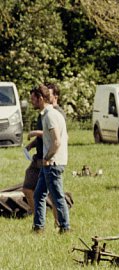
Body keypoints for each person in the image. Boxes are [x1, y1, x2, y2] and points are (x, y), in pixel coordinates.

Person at [29, 83, 71, 233]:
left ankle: (65, 228)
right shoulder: (48, 114)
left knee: (57, 197)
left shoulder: (51, 116)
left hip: (53, 162)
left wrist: (47, 157)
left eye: (33, 99)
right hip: (49, 162)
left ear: (40, 98)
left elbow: (57, 141)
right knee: (39, 194)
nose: (31, 102)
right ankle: (38, 227)